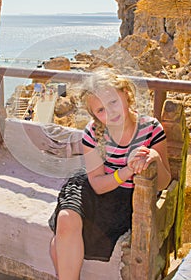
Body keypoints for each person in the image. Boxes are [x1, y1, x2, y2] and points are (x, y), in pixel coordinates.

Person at [48, 67, 171, 280]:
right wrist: (127, 170)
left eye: (113, 102)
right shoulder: (93, 133)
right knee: (66, 219)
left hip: (127, 197)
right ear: (94, 115)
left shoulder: (150, 128)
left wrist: (154, 158)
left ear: (126, 93)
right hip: (97, 187)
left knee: (58, 244)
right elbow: (96, 184)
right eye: (100, 110)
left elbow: (164, 183)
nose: (110, 113)